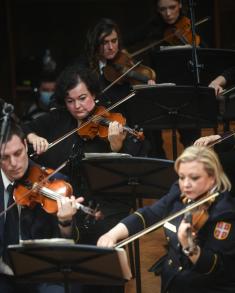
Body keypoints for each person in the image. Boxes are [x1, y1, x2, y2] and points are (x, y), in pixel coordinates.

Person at [97, 145, 235, 293]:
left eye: (194, 178)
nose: (186, 184)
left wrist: (189, 247)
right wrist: (112, 234)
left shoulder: (224, 213)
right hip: (172, 282)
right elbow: (149, 214)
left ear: (212, 177)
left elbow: (214, 267)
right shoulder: (179, 193)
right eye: (182, 177)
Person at [0, 122, 83, 293]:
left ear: (25, 145)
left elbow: (70, 245)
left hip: (43, 275)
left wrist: (65, 222)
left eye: (18, 153)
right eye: (4, 157)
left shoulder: (54, 182)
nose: (14, 163)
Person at [81, 18, 166, 158]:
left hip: (132, 125)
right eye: (104, 42)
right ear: (96, 44)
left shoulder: (124, 61)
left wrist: (146, 88)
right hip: (105, 131)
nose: (111, 47)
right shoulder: (86, 68)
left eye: (114, 41)